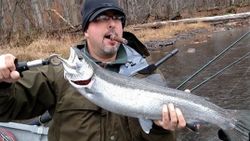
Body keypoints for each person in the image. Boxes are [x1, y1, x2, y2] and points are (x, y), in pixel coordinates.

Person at [0, 0, 189, 141]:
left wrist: (161, 130)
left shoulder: (147, 74)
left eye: (117, 18)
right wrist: (2, 83)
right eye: (101, 18)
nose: (112, 24)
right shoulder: (59, 73)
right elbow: (6, 108)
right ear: (86, 31)